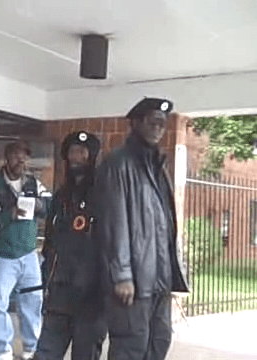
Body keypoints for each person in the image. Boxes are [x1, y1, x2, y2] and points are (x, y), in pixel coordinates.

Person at [96, 98, 189, 360]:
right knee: (130, 346)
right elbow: (114, 223)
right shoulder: (118, 163)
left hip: (158, 277)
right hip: (133, 280)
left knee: (159, 340)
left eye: (162, 123)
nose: (159, 128)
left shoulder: (158, 166)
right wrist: (122, 275)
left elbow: (165, 223)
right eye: (152, 122)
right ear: (135, 123)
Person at [0, 141, 48, 360]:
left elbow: (50, 206)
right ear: (6, 158)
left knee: (33, 301)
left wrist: (41, 206)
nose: (21, 160)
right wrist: (7, 215)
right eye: (16, 156)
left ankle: (32, 348)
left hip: (28, 253)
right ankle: (2, 350)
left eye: (24, 157)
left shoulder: (33, 184)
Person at [34, 131, 107, 360]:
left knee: (85, 354)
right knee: (46, 353)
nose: (77, 157)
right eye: (72, 152)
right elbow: (51, 240)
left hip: (91, 294)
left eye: (83, 152)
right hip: (60, 290)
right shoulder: (60, 197)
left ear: (92, 157)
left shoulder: (104, 194)